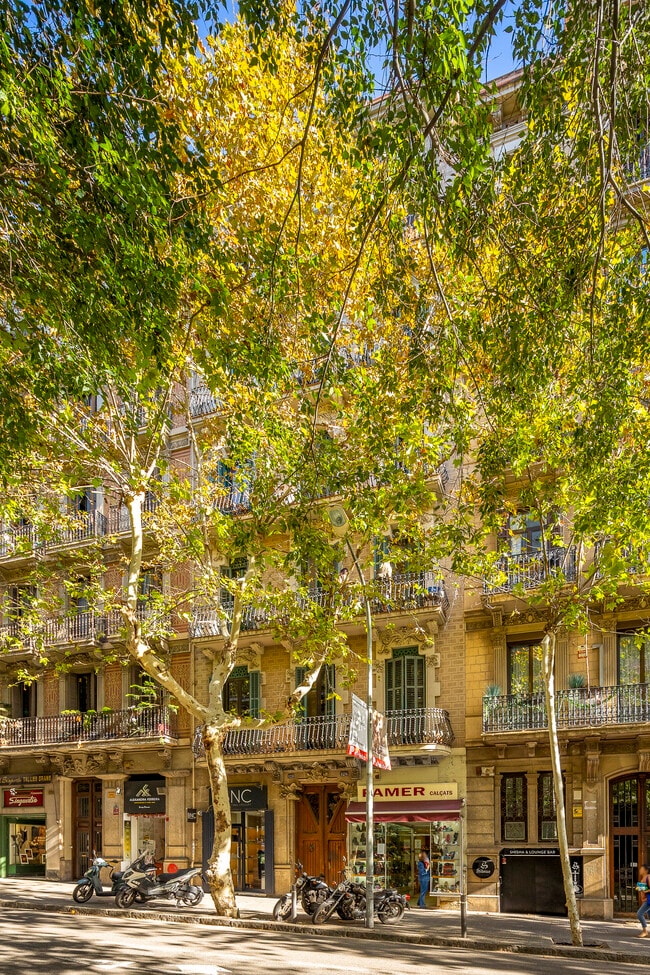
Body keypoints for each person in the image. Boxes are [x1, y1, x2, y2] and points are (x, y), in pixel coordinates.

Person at [637, 864, 650, 937]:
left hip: (648, 900)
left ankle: (645, 931)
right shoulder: (643, 878)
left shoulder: (648, 877)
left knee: (640, 913)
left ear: (646, 870)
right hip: (646, 899)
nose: (640, 870)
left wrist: (646, 891)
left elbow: (647, 890)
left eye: (641, 869)